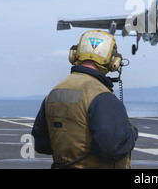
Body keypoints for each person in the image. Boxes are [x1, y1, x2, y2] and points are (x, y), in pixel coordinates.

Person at [31, 30, 138, 169]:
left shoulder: (53, 93)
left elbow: (40, 144)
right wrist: (131, 133)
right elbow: (112, 148)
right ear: (113, 61)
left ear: (75, 54)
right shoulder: (101, 96)